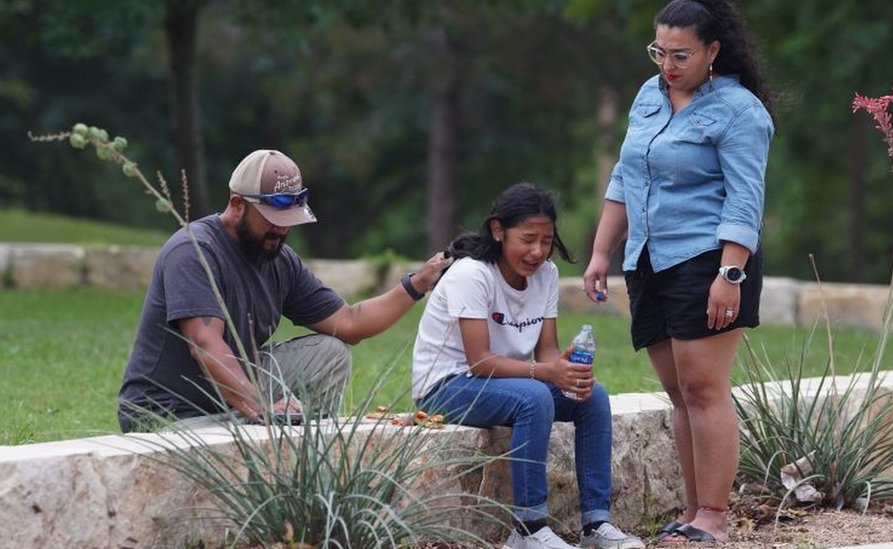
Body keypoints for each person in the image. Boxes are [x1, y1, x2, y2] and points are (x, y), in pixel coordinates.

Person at [583, 0, 774, 543]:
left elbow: (745, 201)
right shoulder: (650, 95)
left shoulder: (739, 111)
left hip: (708, 262)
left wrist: (729, 275)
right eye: (659, 51)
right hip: (648, 259)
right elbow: (626, 175)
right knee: (677, 391)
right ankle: (692, 511)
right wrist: (602, 252)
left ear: (713, 51)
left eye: (680, 54)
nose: (667, 64)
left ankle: (714, 515)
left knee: (703, 387)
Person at [118, 149, 450, 432]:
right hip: (168, 414)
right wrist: (262, 407)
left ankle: (299, 460)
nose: (281, 228)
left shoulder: (278, 257)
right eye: (271, 216)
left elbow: (349, 324)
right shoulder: (194, 250)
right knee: (244, 418)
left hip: (232, 401)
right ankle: (261, 433)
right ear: (237, 204)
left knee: (330, 352)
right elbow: (205, 345)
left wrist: (418, 283)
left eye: (289, 217)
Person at [412, 183, 645, 549]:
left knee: (593, 396)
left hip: (501, 385)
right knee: (534, 398)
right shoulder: (472, 274)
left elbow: (547, 351)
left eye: (546, 240)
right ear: (498, 231)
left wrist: (566, 370)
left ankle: (596, 525)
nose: (537, 251)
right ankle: (529, 529)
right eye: (528, 239)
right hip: (446, 387)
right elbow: (480, 361)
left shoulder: (546, 274)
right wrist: (546, 374)